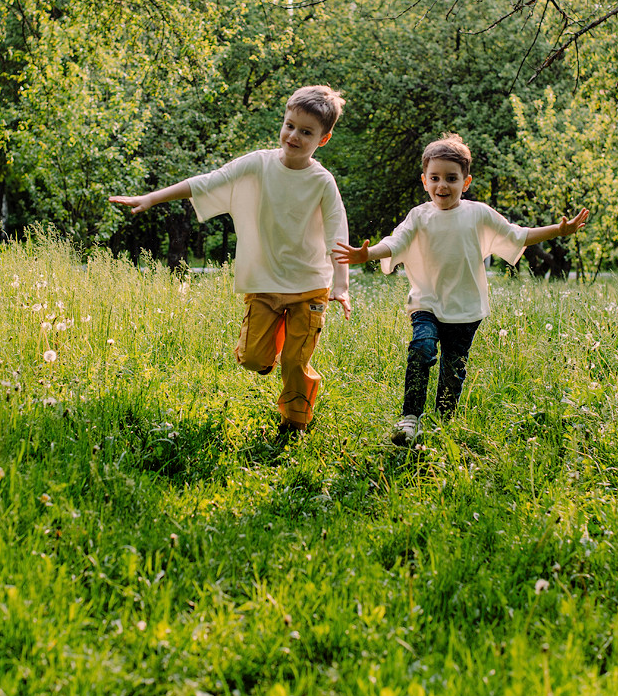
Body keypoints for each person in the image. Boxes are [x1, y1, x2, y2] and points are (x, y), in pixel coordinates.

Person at [110, 86, 350, 439]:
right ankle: (272, 348)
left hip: (310, 285)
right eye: (289, 125)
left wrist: (341, 284)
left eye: (306, 132)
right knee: (253, 358)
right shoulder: (258, 163)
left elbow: (337, 234)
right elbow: (209, 182)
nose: (293, 136)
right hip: (264, 283)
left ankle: (295, 425)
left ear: (323, 139)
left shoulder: (322, 182)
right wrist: (151, 198)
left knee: (295, 362)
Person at [334, 134, 588, 447]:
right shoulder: (419, 216)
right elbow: (395, 242)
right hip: (426, 302)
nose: (442, 185)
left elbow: (518, 235)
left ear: (465, 182)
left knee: (453, 371)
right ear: (424, 180)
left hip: (466, 308)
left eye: (451, 178)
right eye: (435, 178)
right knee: (422, 349)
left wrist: (559, 230)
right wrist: (368, 254)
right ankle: (410, 418)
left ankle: (443, 425)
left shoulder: (478, 213)